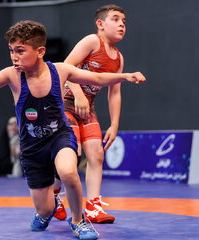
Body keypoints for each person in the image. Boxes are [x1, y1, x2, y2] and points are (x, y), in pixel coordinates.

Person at [0, 20, 145, 239]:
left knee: (69, 172)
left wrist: (125, 76)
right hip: (32, 148)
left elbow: (97, 78)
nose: (14, 56)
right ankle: (46, 211)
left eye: (20, 51)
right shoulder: (11, 75)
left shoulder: (59, 70)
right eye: (11, 51)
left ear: (40, 51)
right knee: (45, 209)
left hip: (60, 136)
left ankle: (79, 221)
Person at [53, 5, 131, 224]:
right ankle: (55, 195)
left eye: (124, 21)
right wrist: (77, 93)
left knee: (96, 154)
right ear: (100, 24)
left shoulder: (118, 58)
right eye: (115, 19)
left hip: (87, 108)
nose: (122, 24)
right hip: (66, 104)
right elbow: (65, 67)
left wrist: (115, 124)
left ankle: (93, 207)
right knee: (69, 154)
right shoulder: (91, 41)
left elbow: (114, 93)